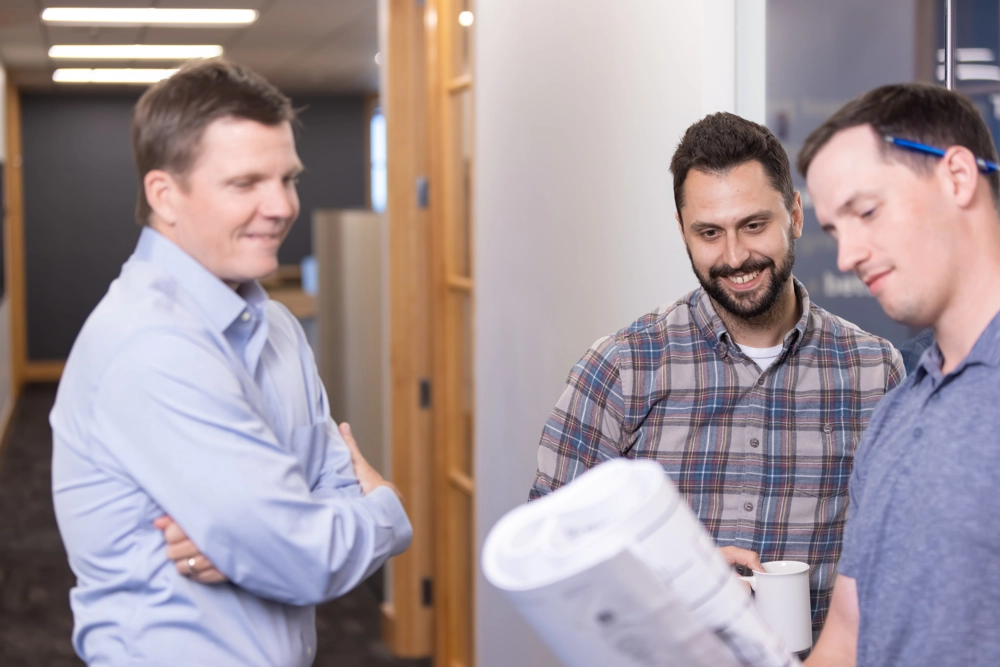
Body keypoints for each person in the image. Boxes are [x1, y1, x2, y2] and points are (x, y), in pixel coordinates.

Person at [50, 59, 412, 666]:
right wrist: (387, 513)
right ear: (164, 194)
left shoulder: (276, 329)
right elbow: (305, 555)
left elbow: (321, 494)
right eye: (245, 184)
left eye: (287, 178)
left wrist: (265, 538)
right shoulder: (149, 345)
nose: (281, 206)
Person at [529, 112, 903, 633]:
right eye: (709, 232)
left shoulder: (873, 370)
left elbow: (896, 553)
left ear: (794, 215)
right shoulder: (622, 367)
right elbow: (547, 553)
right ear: (683, 232)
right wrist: (675, 578)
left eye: (754, 225)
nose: (735, 256)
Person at [799, 83, 1000, 666]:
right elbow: (847, 636)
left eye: (866, 211)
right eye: (835, 230)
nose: (847, 256)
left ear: (957, 177)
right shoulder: (895, 415)